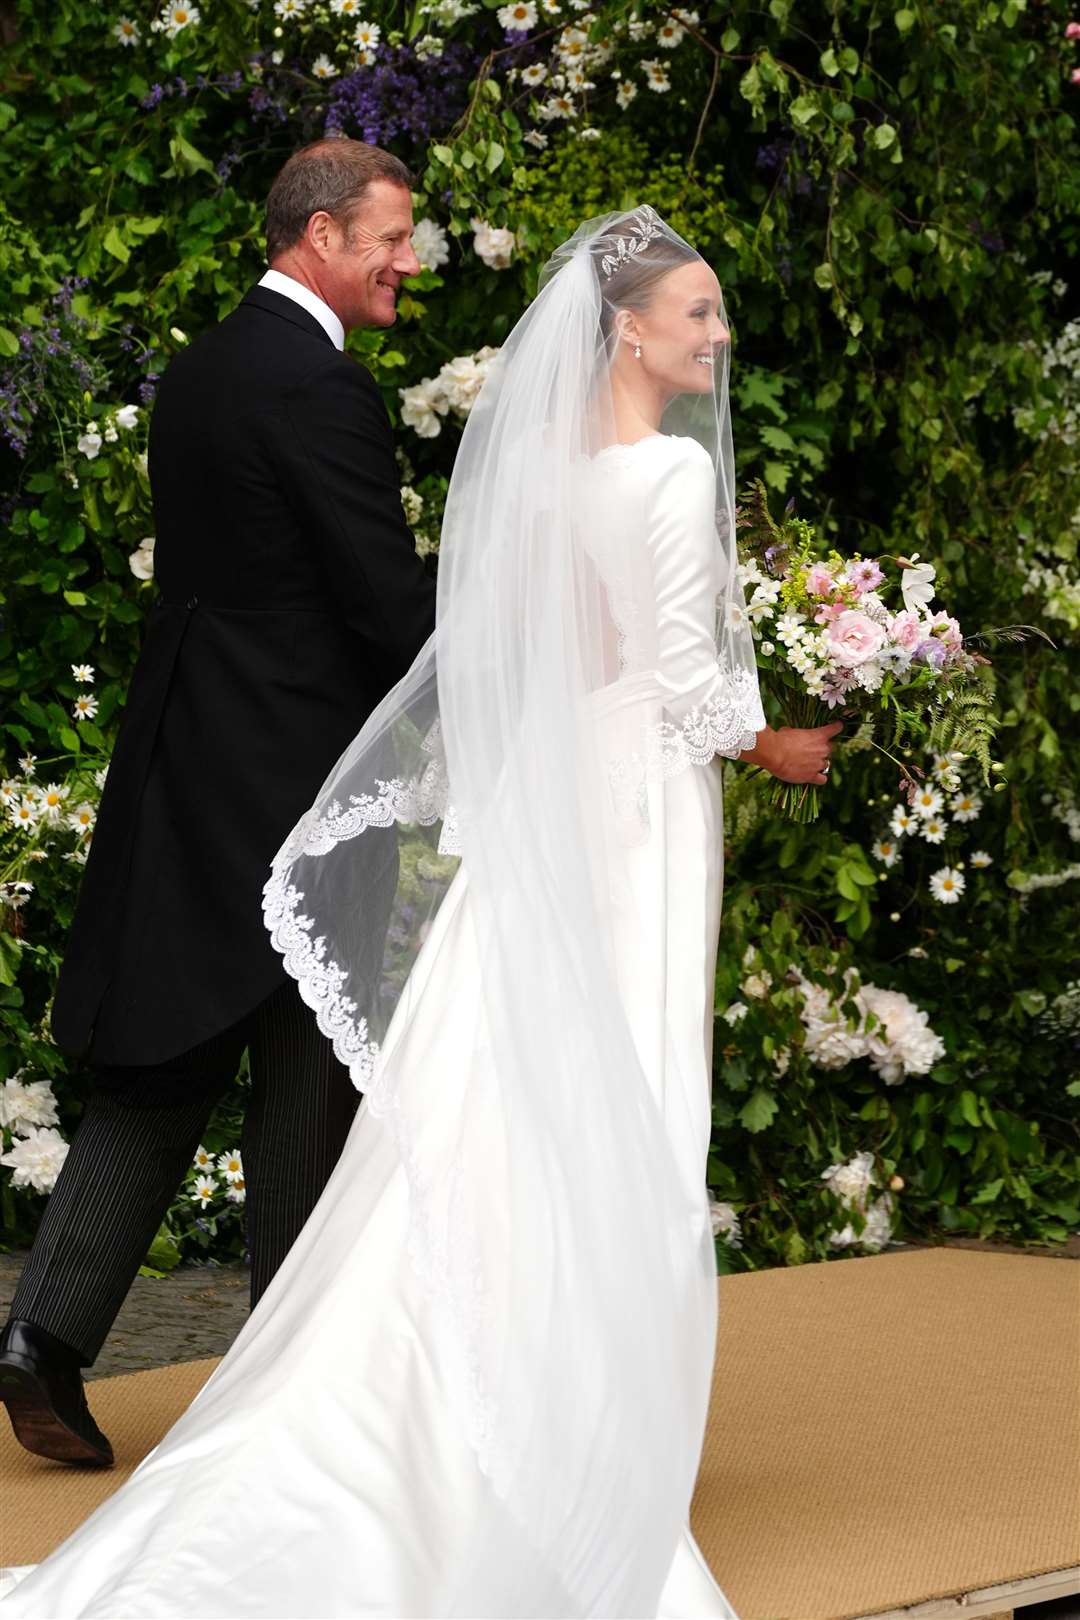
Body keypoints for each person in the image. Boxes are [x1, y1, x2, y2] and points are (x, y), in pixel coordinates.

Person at [0, 207, 838, 1618]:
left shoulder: (523, 468)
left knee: (470, 1101)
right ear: (629, 327)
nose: (719, 336)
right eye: (698, 312)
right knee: (613, 1097)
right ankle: (553, 1423)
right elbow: (680, 685)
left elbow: (528, 647)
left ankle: (367, 1371)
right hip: (623, 813)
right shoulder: (665, 479)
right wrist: (783, 738)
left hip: (532, 811)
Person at [0, 138, 436, 1469]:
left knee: (167, 1065)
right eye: (391, 237)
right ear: (318, 234)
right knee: (302, 1077)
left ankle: (40, 1340)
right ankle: (288, 1387)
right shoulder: (317, 387)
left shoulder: (197, 372)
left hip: (185, 768)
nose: (407, 261)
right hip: (296, 786)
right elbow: (381, 606)